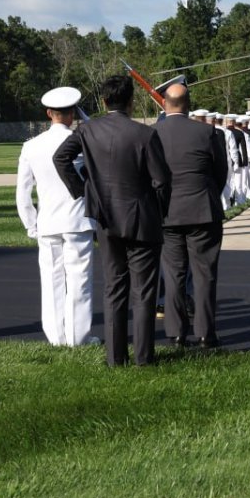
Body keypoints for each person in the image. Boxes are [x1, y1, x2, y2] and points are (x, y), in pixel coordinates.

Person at [53, 75, 170, 367]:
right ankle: (144, 357)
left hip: (105, 218)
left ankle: (116, 358)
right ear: (131, 101)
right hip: (142, 219)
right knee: (144, 292)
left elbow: (60, 159)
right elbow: (162, 181)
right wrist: (160, 211)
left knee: (114, 287)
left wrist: (84, 192)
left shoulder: (88, 131)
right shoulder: (145, 134)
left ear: (104, 101)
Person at [15, 86, 99, 346]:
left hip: (48, 221)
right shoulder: (83, 141)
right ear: (73, 112)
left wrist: (32, 224)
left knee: (51, 281)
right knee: (79, 281)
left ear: (48, 113)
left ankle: (57, 337)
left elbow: (23, 192)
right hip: (77, 220)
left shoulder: (31, 146)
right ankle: (78, 338)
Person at [154, 83, 227, 349]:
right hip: (202, 210)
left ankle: (175, 333)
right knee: (205, 273)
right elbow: (221, 172)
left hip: (168, 213)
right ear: (188, 104)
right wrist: (208, 195)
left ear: (165, 104)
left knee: (173, 274)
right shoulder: (207, 131)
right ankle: (206, 333)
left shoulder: (153, 133)